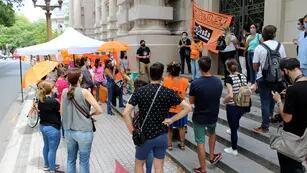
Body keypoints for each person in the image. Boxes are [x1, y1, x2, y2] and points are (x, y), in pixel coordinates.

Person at [122, 62, 192, 173]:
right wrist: (172, 120)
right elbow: (188, 108)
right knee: (159, 166)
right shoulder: (168, 92)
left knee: (139, 164)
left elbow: (126, 113)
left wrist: (132, 131)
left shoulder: (140, 91)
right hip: (161, 135)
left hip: (145, 135)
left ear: (150, 74)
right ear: (161, 76)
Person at [61, 68, 103, 173]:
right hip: (84, 131)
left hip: (69, 131)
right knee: (83, 161)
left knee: (70, 160)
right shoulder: (84, 92)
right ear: (80, 78)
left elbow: (61, 112)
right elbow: (99, 110)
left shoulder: (64, 92)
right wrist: (91, 114)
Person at [271, 58, 307, 173]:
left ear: (286, 70)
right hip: (304, 136)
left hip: (292, 139)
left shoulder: (293, 90)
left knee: (288, 168)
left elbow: (287, 118)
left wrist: (279, 101)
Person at [189, 56, 223, 173]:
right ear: (210, 66)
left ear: (199, 68)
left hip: (199, 116)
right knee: (212, 133)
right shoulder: (218, 82)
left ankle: (203, 169)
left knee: (200, 141)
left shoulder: (195, 83)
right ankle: (212, 156)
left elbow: (191, 101)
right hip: (213, 114)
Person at [252, 25, 287, 133]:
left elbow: (255, 65)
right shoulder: (280, 46)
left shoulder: (259, 47)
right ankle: (270, 116)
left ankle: (264, 126)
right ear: (274, 34)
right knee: (273, 97)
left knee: (264, 101)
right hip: (277, 77)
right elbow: (284, 61)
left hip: (263, 77)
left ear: (263, 34)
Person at [223, 59, 250, 156]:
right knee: (236, 120)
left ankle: (234, 149)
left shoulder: (229, 78)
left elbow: (230, 95)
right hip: (243, 104)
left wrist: (224, 101)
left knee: (233, 128)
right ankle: (232, 129)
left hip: (232, 105)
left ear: (227, 68)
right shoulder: (243, 76)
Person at [163, 62, 189, 150]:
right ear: (179, 71)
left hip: (169, 108)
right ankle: (182, 145)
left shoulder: (166, 80)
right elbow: (185, 90)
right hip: (181, 108)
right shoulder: (185, 81)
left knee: (169, 127)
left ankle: (169, 145)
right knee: (181, 127)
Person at [37, 81, 62, 173]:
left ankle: (47, 165)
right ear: (50, 89)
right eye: (53, 87)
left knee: (46, 146)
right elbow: (60, 111)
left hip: (43, 126)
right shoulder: (53, 101)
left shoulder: (41, 99)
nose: (55, 88)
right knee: (52, 149)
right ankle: (52, 169)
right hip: (53, 128)